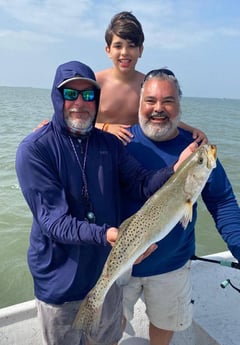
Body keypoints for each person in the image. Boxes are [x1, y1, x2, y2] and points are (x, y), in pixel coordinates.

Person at [15, 61, 196, 345]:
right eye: (70, 94)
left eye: (88, 95)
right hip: (60, 282)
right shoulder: (35, 150)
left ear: (97, 100)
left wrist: (176, 170)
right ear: (56, 97)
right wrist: (108, 235)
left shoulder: (110, 144)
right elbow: (53, 222)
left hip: (106, 275)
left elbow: (140, 183)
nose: (80, 103)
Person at [121, 68, 240, 345]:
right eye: (150, 100)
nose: (158, 109)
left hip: (172, 266)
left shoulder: (197, 150)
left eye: (168, 101)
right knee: (109, 326)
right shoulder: (119, 143)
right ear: (139, 104)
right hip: (119, 262)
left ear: (179, 105)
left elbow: (222, 201)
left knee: (164, 325)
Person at [95, 11, 208, 145]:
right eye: (118, 46)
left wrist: (194, 130)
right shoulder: (96, 82)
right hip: (102, 147)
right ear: (108, 50)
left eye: (131, 46)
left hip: (134, 152)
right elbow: (78, 118)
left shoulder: (147, 86)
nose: (124, 52)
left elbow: (164, 116)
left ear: (141, 50)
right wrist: (106, 127)